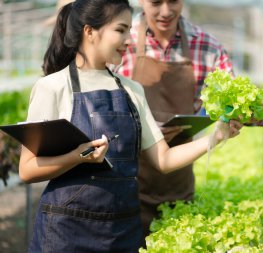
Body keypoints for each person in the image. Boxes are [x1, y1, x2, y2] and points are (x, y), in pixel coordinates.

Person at [18, 0, 242, 252]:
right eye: (120, 30)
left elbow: (164, 159)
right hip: (65, 232)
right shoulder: (53, 87)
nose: (128, 39)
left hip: (122, 231)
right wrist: (77, 156)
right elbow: (27, 170)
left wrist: (216, 137)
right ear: (89, 31)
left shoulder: (132, 90)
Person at [114, 0, 234, 243]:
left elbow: (236, 100)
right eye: (156, 2)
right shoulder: (119, 41)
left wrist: (239, 114)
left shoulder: (208, 47)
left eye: (174, 1)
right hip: (125, 189)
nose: (166, 11)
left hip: (178, 184)